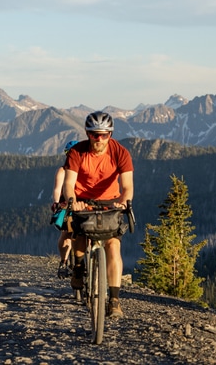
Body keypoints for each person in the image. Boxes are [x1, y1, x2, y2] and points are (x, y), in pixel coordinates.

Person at [62, 111, 134, 319]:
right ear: (87, 134)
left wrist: (123, 202)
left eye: (103, 135)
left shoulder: (121, 153)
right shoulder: (76, 152)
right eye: (94, 135)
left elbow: (127, 186)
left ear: (110, 134)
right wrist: (73, 201)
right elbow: (69, 183)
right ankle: (77, 267)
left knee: (113, 245)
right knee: (79, 233)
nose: (99, 139)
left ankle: (114, 300)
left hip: (110, 203)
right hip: (82, 201)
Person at [51, 140, 78, 279]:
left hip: (83, 205)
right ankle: (63, 262)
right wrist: (56, 202)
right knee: (66, 233)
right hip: (66, 205)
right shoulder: (62, 171)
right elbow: (57, 189)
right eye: (70, 153)